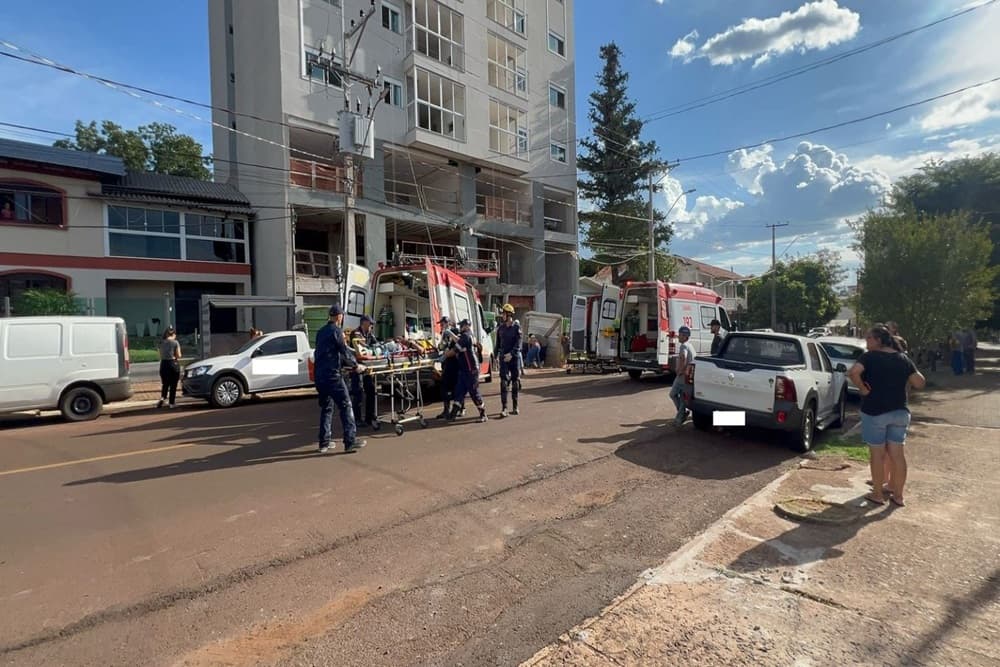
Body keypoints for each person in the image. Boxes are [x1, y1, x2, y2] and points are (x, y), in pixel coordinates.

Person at [848, 324, 925, 507]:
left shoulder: (869, 357)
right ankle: (898, 496)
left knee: (877, 454)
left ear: (878, 340)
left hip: (875, 412)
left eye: (869, 338)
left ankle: (877, 493)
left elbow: (853, 372)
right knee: (897, 455)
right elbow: (919, 382)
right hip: (900, 411)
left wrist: (862, 389)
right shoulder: (902, 358)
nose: (866, 341)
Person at [314, 304, 366, 454]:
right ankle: (350, 442)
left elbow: (326, 353)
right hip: (333, 376)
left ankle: (324, 443)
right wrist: (356, 366)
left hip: (320, 376)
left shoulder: (320, 332)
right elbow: (343, 351)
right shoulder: (336, 331)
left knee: (327, 408)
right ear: (339, 317)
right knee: (346, 405)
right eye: (342, 316)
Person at [447, 318, 488, 423]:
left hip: (471, 370)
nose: (460, 327)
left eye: (462, 325)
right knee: (459, 391)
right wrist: (450, 333)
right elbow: (458, 341)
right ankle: (453, 414)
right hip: (464, 369)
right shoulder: (469, 336)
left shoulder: (466, 336)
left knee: (474, 392)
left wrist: (443, 356)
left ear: (466, 326)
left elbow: (453, 351)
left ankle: (483, 414)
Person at [349, 315, 379, 427]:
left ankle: (369, 417)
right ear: (364, 323)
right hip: (357, 367)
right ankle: (357, 419)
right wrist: (372, 349)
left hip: (367, 367)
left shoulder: (370, 334)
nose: (372, 326)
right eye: (370, 323)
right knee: (358, 393)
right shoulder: (356, 333)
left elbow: (376, 344)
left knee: (371, 390)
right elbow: (363, 346)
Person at [495, 303, 522, 417]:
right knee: (503, 382)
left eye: (504, 313)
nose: (502, 315)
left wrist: (512, 354)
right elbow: (498, 344)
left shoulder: (516, 328)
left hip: (513, 358)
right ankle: (504, 408)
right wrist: (496, 356)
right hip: (503, 358)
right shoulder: (500, 328)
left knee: (515, 381)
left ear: (509, 314)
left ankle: (515, 406)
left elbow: (518, 343)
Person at [669, 326, 696, 427]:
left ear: (685, 336)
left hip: (682, 376)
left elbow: (683, 358)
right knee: (682, 398)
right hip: (688, 376)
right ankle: (681, 416)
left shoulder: (684, 346)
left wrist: (680, 371)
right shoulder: (690, 345)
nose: (678, 337)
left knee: (673, 394)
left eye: (680, 335)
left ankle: (681, 416)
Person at [436, 316, 462, 419]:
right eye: (441, 324)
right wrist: (440, 347)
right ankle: (446, 410)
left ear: (448, 323)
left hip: (455, 363)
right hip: (447, 363)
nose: (441, 326)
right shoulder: (444, 334)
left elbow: (458, 343)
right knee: (444, 387)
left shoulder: (455, 331)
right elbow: (442, 346)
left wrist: (450, 334)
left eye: (442, 324)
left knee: (457, 387)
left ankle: (460, 408)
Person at [157, 327, 182, 409]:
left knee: (165, 384)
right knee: (173, 385)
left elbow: (160, 354)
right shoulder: (175, 342)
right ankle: (172, 403)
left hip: (163, 364)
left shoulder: (161, 342)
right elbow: (179, 355)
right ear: (173, 334)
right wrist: (175, 356)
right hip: (173, 363)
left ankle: (163, 398)